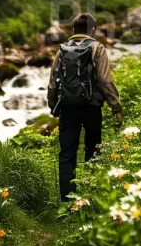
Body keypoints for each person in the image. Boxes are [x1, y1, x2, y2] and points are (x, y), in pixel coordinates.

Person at [48, 13, 123, 201]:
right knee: (93, 149)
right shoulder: (98, 48)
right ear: (93, 30)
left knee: (67, 153)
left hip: (67, 107)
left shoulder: (61, 50)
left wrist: (53, 107)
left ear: (73, 30)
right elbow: (105, 81)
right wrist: (116, 107)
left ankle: (67, 201)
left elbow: (52, 83)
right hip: (92, 107)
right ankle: (91, 196)